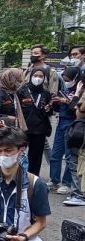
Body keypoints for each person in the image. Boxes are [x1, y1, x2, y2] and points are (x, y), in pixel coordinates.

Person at [50, 66, 80, 196]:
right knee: (55, 153)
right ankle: (54, 179)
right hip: (61, 122)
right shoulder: (65, 90)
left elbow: (76, 109)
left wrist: (68, 101)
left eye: (68, 79)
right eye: (65, 79)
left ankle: (66, 183)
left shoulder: (79, 92)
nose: (66, 81)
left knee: (69, 155)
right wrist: (56, 101)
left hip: (71, 123)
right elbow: (57, 109)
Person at [21, 68, 53, 176]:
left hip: (39, 130)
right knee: (19, 155)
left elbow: (49, 112)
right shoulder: (22, 90)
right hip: (23, 129)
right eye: (35, 75)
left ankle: (33, 180)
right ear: (31, 76)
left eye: (41, 76)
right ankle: (20, 177)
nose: (38, 78)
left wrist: (49, 109)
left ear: (44, 78)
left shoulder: (46, 93)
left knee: (36, 158)